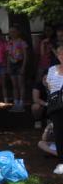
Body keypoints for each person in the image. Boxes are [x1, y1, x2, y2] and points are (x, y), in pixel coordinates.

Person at [43, 42, 63, 175]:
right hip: (57, 106)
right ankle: (62, 162)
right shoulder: (52, 69)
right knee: (59, 133)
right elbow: (50, 86)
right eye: (61, 54)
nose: (62, 56)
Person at [7, 24, 28, 111]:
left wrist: (23, 67)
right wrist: (8, 66)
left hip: (20, 63)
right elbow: (8, 55)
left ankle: (21, 103)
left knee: (21, 84)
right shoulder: (9, 42)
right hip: (12, 64)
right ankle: (16, 103)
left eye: (14, 32)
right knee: (14, 85)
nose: (12, 33)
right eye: (10, 32)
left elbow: (26, 56)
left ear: (18, 32)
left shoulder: (22, 42)